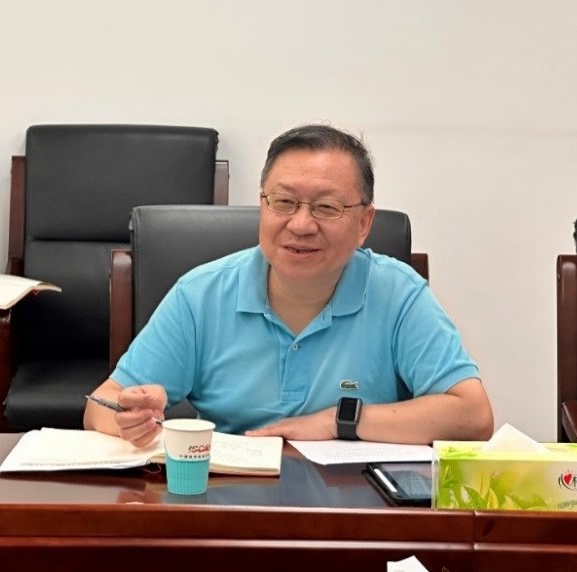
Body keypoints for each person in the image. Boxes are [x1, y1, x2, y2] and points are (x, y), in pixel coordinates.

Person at [84, 124, 493, 447]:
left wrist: (337, 421)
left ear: (364, 223)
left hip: (355, 507)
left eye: (326, 207)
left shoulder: (398, 293)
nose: (300, 225)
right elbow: (100, 407)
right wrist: (132, 418)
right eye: (283, 202)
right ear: (262, 204)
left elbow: (473, 417)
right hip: (230, 503)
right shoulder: (200, 295)